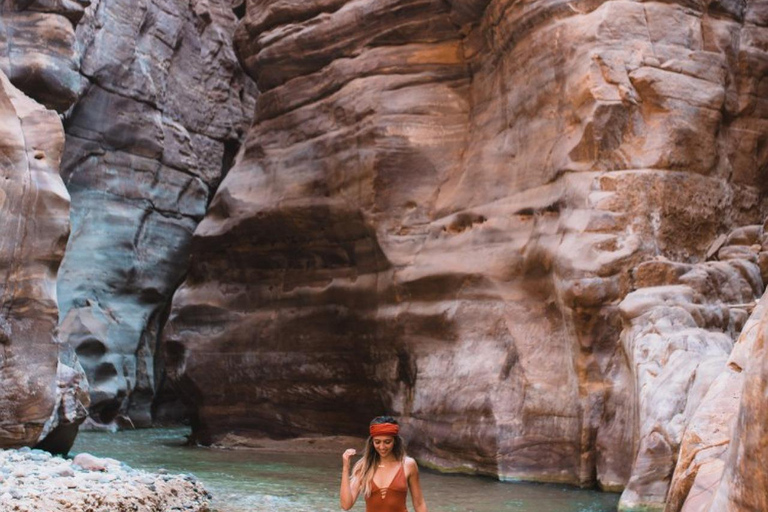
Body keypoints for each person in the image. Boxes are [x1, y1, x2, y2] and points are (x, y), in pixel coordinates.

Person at [340, 416, 428, 512]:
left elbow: (419, 504)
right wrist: (345, 468)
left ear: (395, 441)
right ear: (372, 442)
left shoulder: (408, 465)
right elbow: (346, 505)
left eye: (387, 442)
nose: (382, 447)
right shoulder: (364, 467)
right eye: (377, 442)